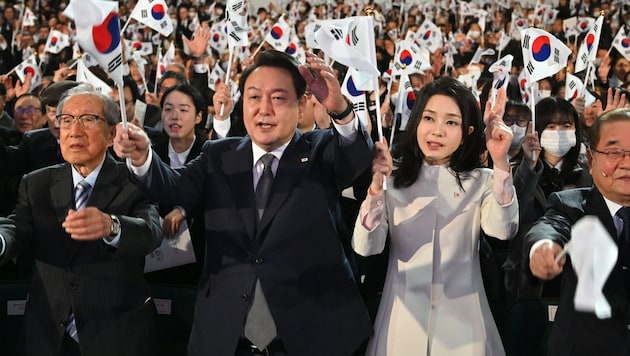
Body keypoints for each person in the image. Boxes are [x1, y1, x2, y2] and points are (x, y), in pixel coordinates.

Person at [114, 50, 373, 356]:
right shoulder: (218, 154)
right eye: (253, 97)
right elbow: (173, 188)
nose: (264, 109)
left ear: (302, 103)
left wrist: (340, 111)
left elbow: (355, 155)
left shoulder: (320, 150)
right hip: (227, 334)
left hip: (311, 331)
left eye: (278, 98)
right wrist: (143, 158)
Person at [352, 77, 518, 355]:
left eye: (451, 122)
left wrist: (501, 162)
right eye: (429, 118)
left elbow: (503, 230)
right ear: (416, 122)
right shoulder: (391, 182)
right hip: (400, 323)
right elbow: (366, 246)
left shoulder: (483, 181)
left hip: (466, 323)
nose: (437, 131)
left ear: (468, 131)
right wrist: (375, 193)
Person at [0, 85, 162, 355]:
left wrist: (113, 226)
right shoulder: (37, 183)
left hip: (117, 335)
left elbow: (151, 231)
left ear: (112, 134)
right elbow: (18, 227)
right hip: (48, 335)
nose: (75, 131)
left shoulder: (134, 180)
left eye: (88, 120)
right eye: (66, 121)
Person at [525, 107, 630, 356]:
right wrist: (543, 248)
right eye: (615, 152)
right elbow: (549, 228)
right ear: (591, 161)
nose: (626, 162)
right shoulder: (569, 205)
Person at [145, 83, 208, 286]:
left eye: (183, 110)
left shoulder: (209, 153)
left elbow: (213, 194)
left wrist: (184, 209)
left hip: (200, 260)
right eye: (168, 109)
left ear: (199, 116)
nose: (175, 116)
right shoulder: (150, 154)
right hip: (156, 256)